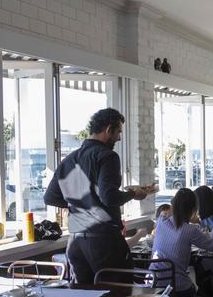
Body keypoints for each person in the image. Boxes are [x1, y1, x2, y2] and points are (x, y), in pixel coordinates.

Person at [43, 108, 148, 284]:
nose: (119, 138)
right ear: (108, 130)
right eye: (118, 132)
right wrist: (133, 194)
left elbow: (50, 198)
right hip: (104, 242)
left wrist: (80, 201)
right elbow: (109, 197)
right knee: (116, 295)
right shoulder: (108, 157)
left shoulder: (69, 159)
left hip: (76, 242)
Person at [150, 188, 213, 297]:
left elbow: (164, 215)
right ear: (194, 210)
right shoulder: (190, 230)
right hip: (176, 289)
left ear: (174, 205)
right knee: (202, 283)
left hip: (154, 285)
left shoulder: (161, 221)